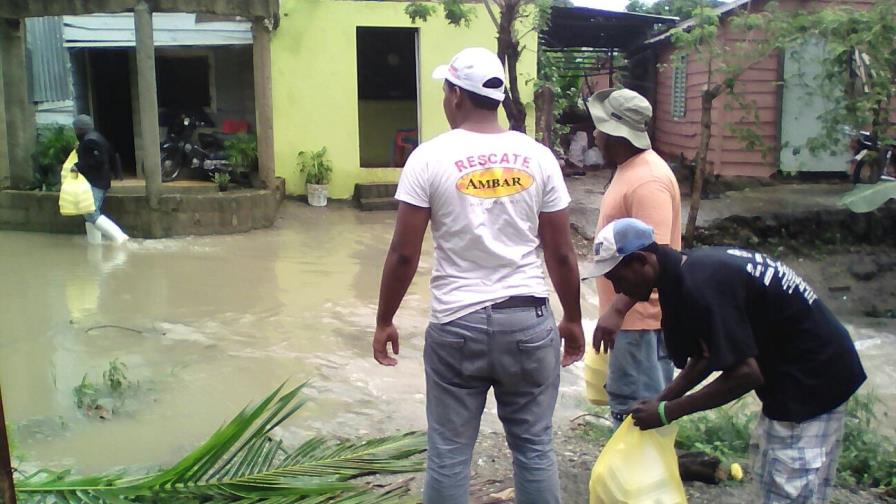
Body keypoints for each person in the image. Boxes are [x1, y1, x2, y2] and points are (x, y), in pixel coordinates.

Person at [372, 47, 585, 504]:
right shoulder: (539, 157)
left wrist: (385, 320)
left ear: (455, 96)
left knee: (449, 454)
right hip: (528, 322)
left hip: (457, 327)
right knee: (533, 449)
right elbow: (562, 254)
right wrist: (572, 318)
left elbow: (403, 254)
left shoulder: (428, 158)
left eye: (445, 90)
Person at [583, 218, 867, 504]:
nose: (618, 289)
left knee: (789, 486)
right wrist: (662, 400)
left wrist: (670, 411)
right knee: (773, 472)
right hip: (802, 368)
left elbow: (746, 374)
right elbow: (706, 356)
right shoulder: (686, 272)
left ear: (641, 260)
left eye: (617, 278)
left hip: (813, 378)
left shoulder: (700, 285)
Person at [586, 88, 681, 426]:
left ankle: (639, 476)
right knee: (628, 404)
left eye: (597, 126)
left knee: (638, 408)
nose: (593, 133)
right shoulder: (632, 169)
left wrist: (617, 310)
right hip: (631, 320)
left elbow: (653, 260)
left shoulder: (647, 181)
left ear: (614, 134)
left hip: (642, 321)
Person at [72, 115, 129, 244]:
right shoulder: (94, 138)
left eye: (75, 129)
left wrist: (77, 166)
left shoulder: (90, 140)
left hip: (96, 182)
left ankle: (119, 237)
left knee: (90, 213)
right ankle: (95, 244)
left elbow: (99, 160)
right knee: (89, 213)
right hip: (98, 181)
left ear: (79, 129)